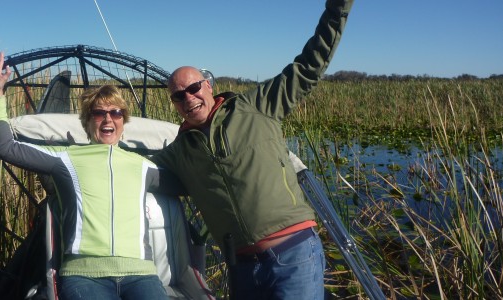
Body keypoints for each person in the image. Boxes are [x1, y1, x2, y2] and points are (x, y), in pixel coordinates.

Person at [150, 0, 354, 299]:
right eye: (179, 96)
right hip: (242, 267)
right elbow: (137, 167)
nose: (188, 98)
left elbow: (310, 64)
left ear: (208, 85)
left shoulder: (256, 106)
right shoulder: (180, 151)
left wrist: (337, 10)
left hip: (294, 252)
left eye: (193, 88)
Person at [0, 52, 179, 300]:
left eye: (115, 113)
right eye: (98, 113)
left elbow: (188, 183)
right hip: (84, 276)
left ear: (123, 121)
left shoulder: (143, 165)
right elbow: (5, 148)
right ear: (87, 121)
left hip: (141, 276)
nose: (108, 118)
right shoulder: (65, 158)